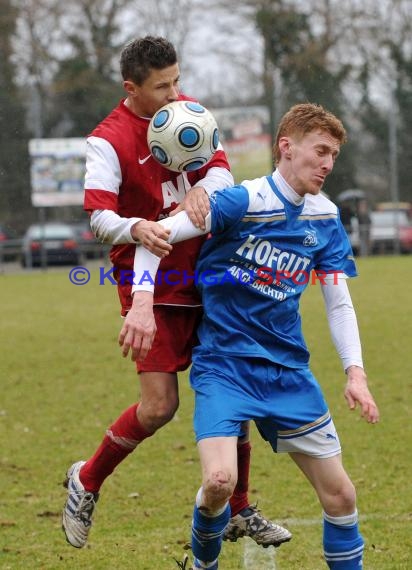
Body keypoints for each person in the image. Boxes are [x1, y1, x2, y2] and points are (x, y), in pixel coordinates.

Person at [123, 102, 380, 570]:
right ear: (286, 147)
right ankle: (203, 562)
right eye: (320, 151)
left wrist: (355, 373)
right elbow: (155, 236)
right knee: (219, 482)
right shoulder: (242, 202)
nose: (327, 163)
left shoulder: (324, 218)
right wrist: (141, 304)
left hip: (287, 373)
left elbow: (339, 302)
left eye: (334, 155)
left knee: (341, 496)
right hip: (225, 367)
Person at [62, 36, 291, 550]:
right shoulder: (107, 139)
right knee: (159, 407)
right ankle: (88, 479)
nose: (174, 93)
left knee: (230, 389)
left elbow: (222, 172)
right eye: (162, 86)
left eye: (177, 80)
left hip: (208, 272)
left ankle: (238, 507)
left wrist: (204, 189)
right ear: (131, 87)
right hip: (152, 282)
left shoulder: (192, 114)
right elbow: (98, 217)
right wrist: (137, 227)